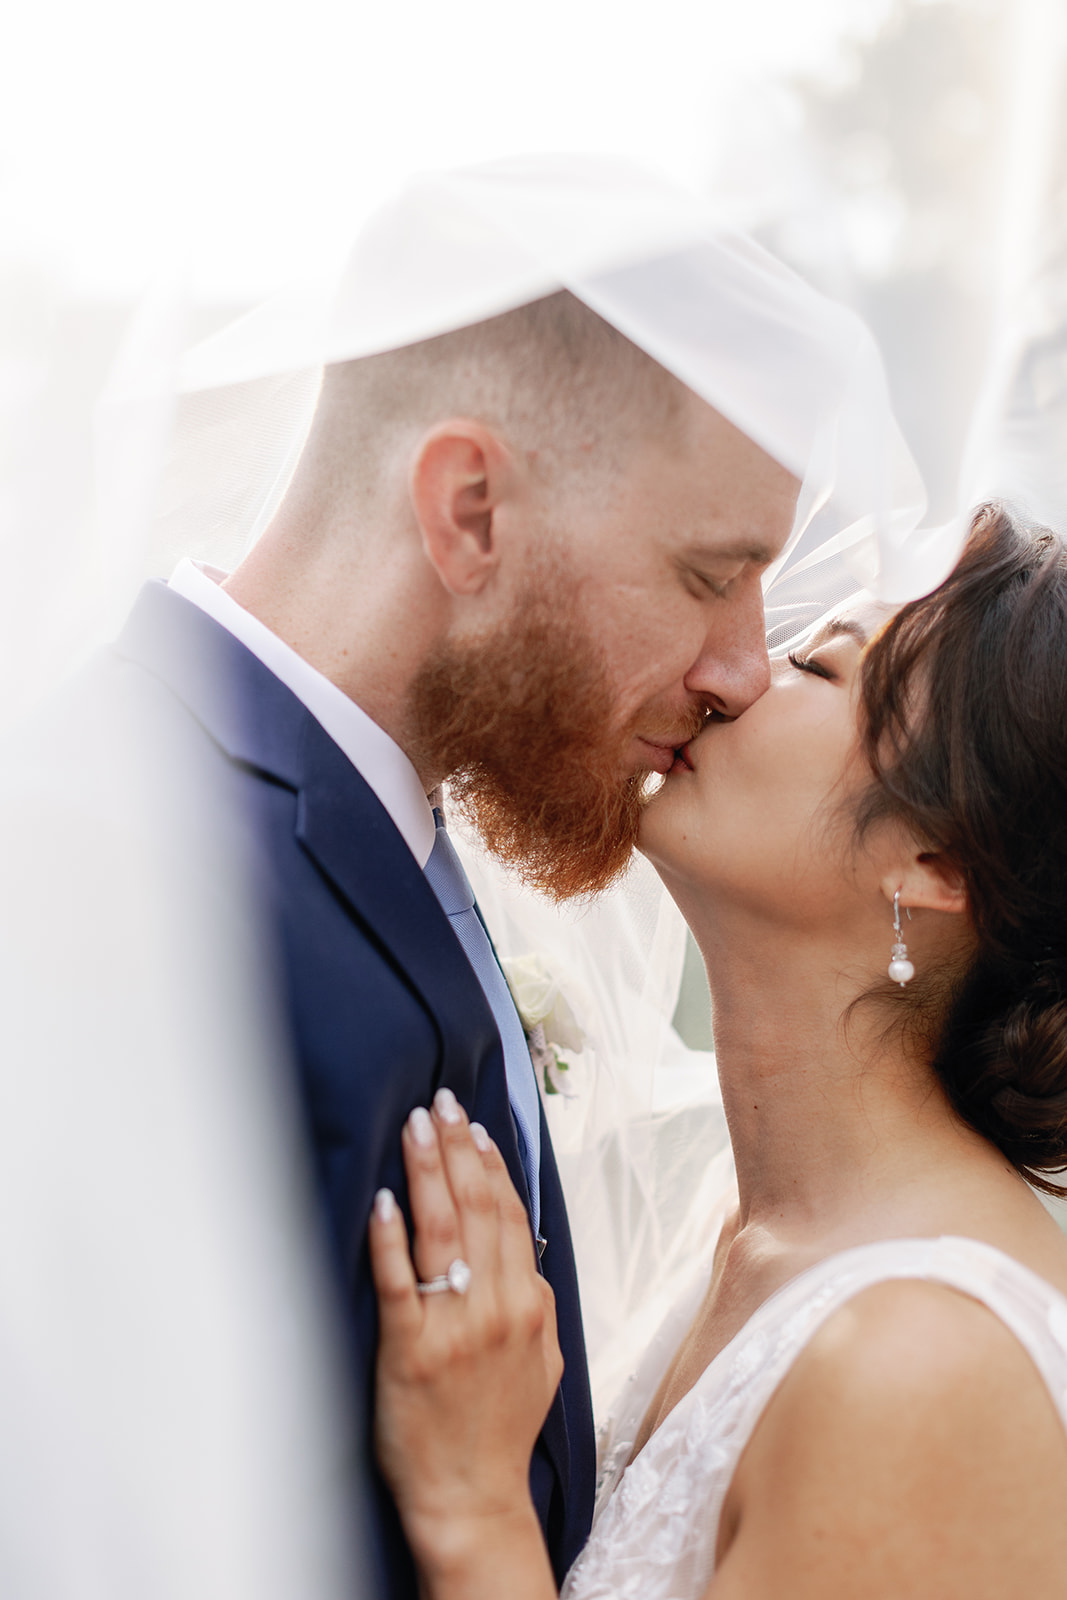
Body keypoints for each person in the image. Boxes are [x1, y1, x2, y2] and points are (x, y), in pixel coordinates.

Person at [111, 286, 799, 1598]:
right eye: (709, 577)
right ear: (469, 510)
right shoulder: (163, 871)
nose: (745, 670)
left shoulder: (406, 803)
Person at [369, 501, 1067, 1599]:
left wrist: (474, 1507)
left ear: (934, 863)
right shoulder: (740, 1226)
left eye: (814, 665)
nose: (731, 680)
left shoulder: (927, 1367)